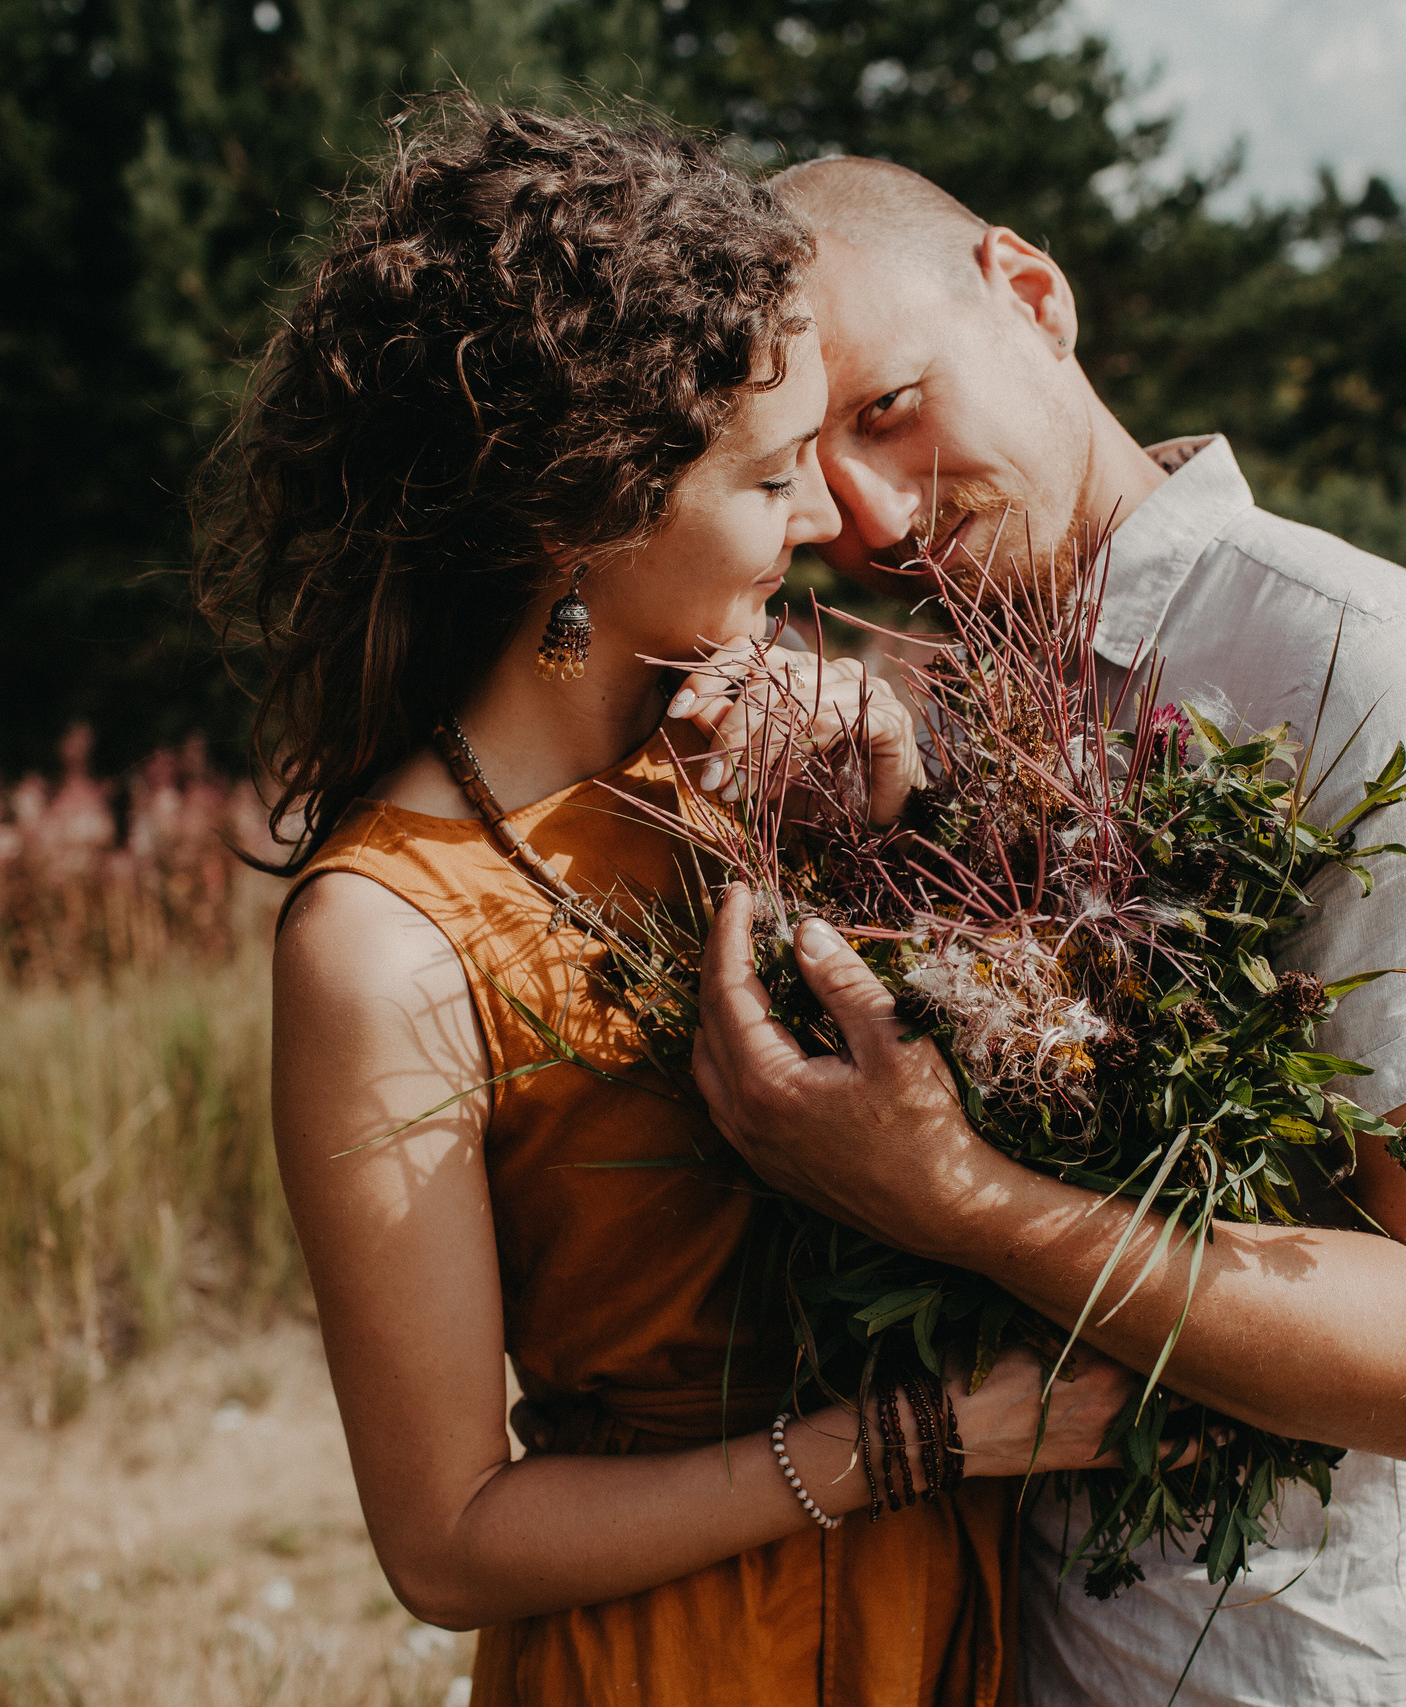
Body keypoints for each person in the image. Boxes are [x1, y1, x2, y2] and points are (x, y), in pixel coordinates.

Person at [192, 108, 1139, 1707]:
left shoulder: (764, 763)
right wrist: (903, 1446)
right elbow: (446, 1541)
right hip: (690, 1658)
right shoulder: (386, 942)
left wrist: (898, 833)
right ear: (590, 506)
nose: (837, 522)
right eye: (773, 475)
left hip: (952, 1633)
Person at [689, 156, 1406, 1707]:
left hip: (1316, 1674)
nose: (874, 520)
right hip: (1019, 1653)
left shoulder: (1364, 680)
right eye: (809, 477)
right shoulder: (943, 703)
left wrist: (960, 1201)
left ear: (1032, 298)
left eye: (891, 408)